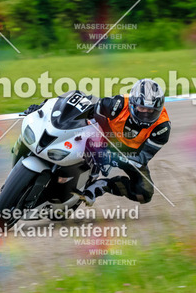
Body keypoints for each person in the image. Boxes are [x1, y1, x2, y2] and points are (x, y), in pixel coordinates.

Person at [21, 78, 170, 205]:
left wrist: (113, 158)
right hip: (104, 137)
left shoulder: (162, 128)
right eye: (141, 108)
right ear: (132, 103)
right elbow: (86, 105)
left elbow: (141, 159)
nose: (145, 114)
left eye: (151, 111)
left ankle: (102, 186)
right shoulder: (118, 104)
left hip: (129, 155)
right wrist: (42, 108)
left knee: (145, 193)